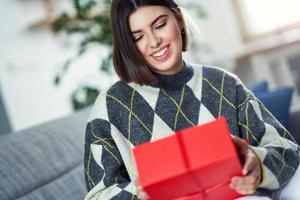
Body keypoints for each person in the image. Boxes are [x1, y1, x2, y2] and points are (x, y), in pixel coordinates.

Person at [83, 0, 300, 199]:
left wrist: (257, 163)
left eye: (159, 25)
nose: (154, 41)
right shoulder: (110, 106)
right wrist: (142, 191)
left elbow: (288, 148)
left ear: (179, 20)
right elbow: (97, 196)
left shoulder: (223, 82)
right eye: (138, 37)